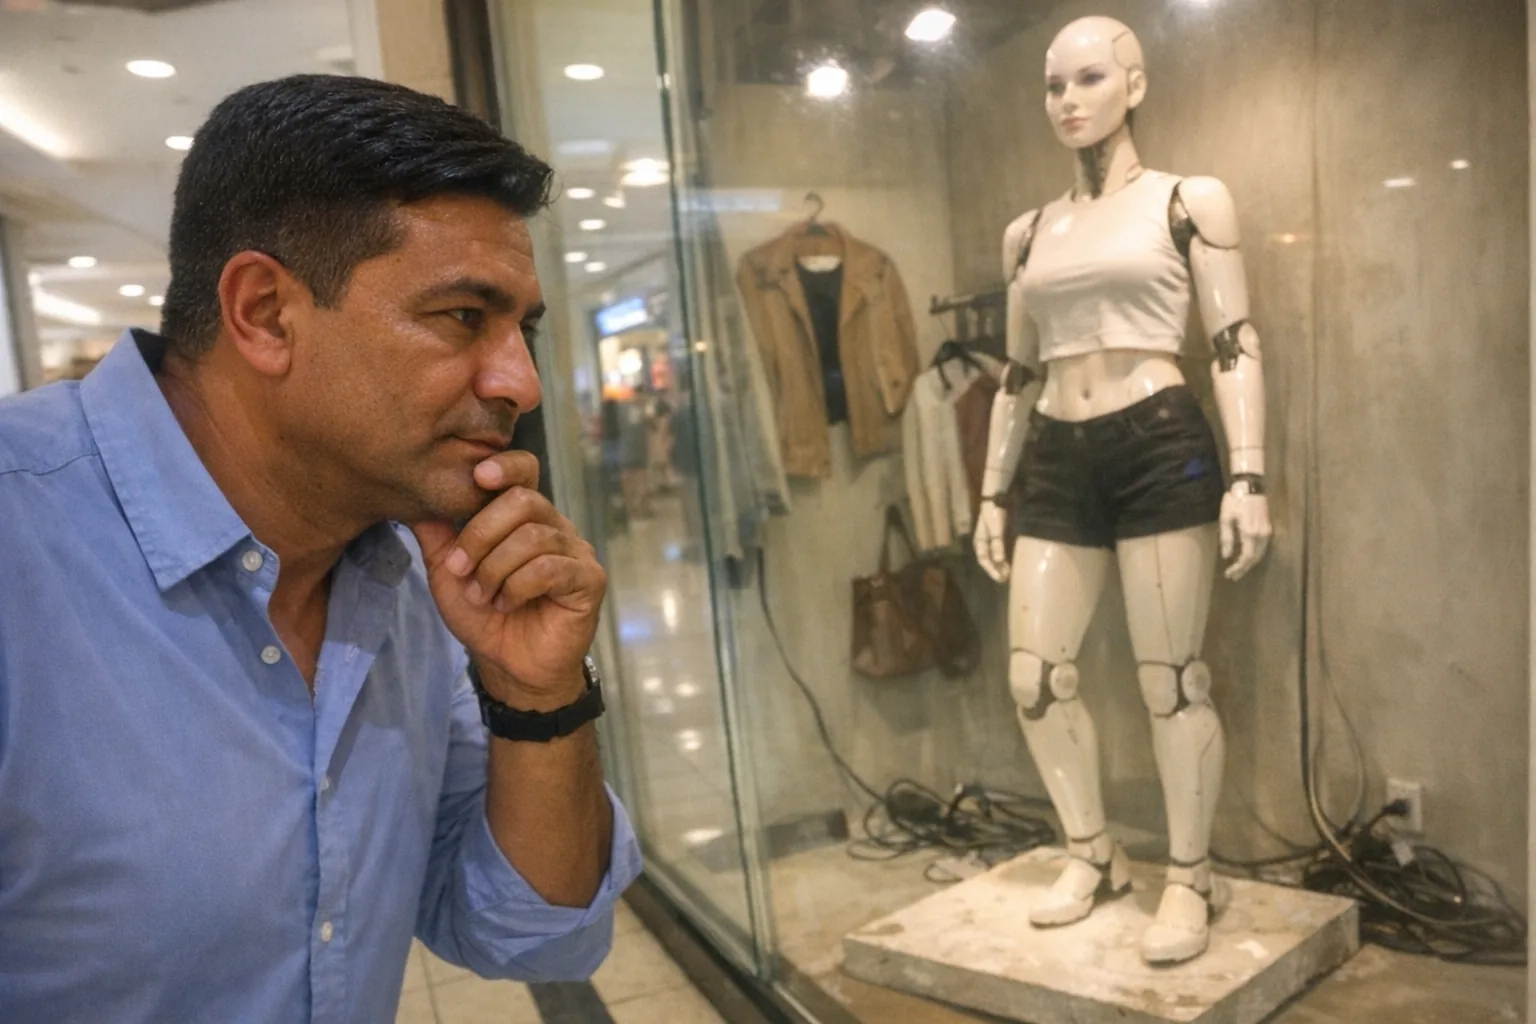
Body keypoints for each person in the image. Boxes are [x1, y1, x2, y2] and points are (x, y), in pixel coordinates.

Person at [0, 75, 642, 1022]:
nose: (521, 382)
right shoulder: (24, 549)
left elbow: (530, 934)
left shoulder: (410, 565)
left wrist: (538, 697)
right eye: (464, 317)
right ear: (264, 312)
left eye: (524, 329)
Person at [973, 17, 1273, 965]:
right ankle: (1092, 855)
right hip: (1057, 450)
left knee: (1172, 683)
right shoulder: (1027, 232)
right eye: (1053, 85)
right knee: (1034, 677)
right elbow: (1017, 373)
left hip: (1158, 441)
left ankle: (1190, 876)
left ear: (1134, 84)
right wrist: (992, 492)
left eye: (1089, 79)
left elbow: (1233, 343)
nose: (1068, 100)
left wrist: (1250, 474)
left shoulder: (1190, 200)